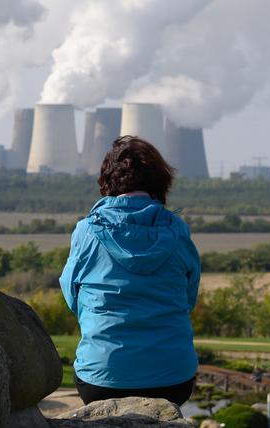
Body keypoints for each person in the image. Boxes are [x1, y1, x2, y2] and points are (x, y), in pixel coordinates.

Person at [59, 135, 201, 406]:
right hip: (172, 378)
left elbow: (72, 296)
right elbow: (188, 297)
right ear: (161, 181)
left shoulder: (86, 232)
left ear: (107, 180)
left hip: (102, 377)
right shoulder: (178, 231)